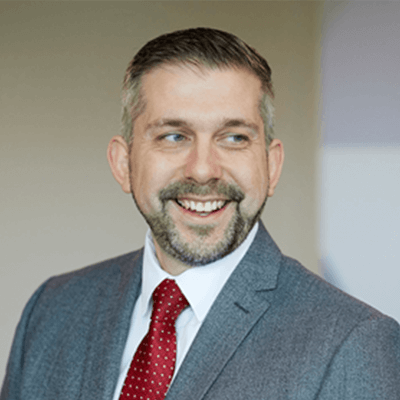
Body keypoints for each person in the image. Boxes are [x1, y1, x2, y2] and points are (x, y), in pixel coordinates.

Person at [1, 28, 399, 400]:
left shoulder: (354, 345)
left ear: (272, 166)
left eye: (234, 138)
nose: (204, 169)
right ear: (123, 163)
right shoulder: (51, 311)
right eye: (174, 136)